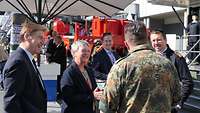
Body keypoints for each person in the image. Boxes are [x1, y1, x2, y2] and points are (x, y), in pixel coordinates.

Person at [99, 21, 181, 113]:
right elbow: (177, 97)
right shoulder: (167, 63)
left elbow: (106, 107)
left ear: (126, 44)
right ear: (147, 39)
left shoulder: (122, 66)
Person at [3, 21, 47, 113]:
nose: (43, 42)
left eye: (44, 38)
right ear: (27, 36)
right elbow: (11, 103)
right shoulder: (18, 62)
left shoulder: (26, 58)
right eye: (40, 37)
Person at [150, 29, 194, 113]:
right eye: (153, 40)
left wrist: (179, 103)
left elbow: (188, 82)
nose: (156, 43)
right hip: (152, 105)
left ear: (165, 40)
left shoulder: (176, 58)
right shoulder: (149, 57)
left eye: (159, 40)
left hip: (169, 106)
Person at [60, 40, 103, 113]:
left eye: (88, 51)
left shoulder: (88, 70)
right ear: (74, 53)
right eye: (83, 51)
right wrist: (92, 96)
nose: (86, 53)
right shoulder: (69, 73)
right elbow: (69, 98)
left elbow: (93, 89)